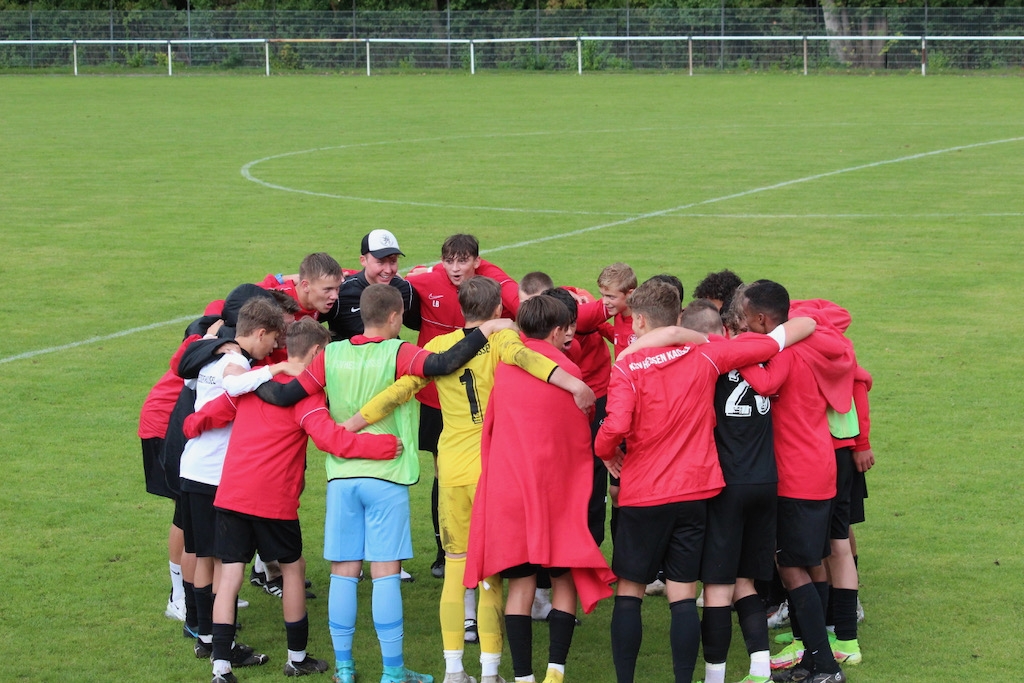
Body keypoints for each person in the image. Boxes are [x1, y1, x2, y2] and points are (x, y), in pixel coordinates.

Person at [257, 284, 516, 683]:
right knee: (385, 573)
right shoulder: (401, 352)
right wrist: (489, 328)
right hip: (387, 474)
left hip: (342, 477)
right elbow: (446, 362)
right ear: (395, 317)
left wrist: (251, 377)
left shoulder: (330, 354)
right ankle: (393, 671)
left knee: (343, 572)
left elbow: (287, 394)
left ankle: (345, 669)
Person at [342, 277, 594, 683]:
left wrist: (354, 423)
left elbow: (402, 388)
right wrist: (574, 383)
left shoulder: (440, 347)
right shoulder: (502, 340)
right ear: (497, 310)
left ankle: (453, 669)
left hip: (452, 470)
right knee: (491, 574)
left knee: (456, 571)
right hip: (495, 471)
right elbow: (528, 359)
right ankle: (491, 671)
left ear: (462, 310)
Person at [594, 280, 815, 683]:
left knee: (630, 593)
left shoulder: (626, 366)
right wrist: (691, 337)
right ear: (677, 317)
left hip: (644, 493)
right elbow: (780, 339)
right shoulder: (707, 355)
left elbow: (615, 426)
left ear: (639, 321)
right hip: (695, 492)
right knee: (682, 595)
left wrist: (605, 451)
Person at [182, 319, 401, 683]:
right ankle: (296, 658)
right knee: (293, 569)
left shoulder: (255, 383)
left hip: (232, 494)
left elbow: (210, 413)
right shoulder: (306, 397)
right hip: (274, 502)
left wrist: (191, 426)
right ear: (316, 353)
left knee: (231, 574)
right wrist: (385, 446)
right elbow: (332, 440)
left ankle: (220, 667)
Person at [464, 294, 615, 683]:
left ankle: (522, 677)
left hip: (511, 494)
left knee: (521, 583)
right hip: (555, 496)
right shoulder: (568, 372)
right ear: (557, 330)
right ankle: (555, 671)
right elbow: (580, 432)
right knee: (563, 577)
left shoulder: (506, 367)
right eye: (568, 329)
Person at [738, 282, 855, 683]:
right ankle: (812, 657)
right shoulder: (813, 347)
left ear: (762, 320)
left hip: (795, 476)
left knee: (789, 568)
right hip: (820, 467)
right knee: (810, 564)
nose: (744, 325)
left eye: (746, 319)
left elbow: (765, 384)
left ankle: (826, 667)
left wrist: (737, 354)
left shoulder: (786, 352)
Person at [177, 296, 299, 666]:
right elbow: (233, 387)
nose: (273, 349)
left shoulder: (212, 357)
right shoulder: (238, 363)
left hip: (193, 467)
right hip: (215, 473)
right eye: (272, 340)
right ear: (259, 333)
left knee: (204, 555)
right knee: (219, 560)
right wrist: (277, 370)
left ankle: (204, 634)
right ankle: (218, 644)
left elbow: (190, 379)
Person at [406, 234, 521, 583]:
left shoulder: (493, 282)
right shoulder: (425, 281)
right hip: (436, 398)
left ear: (476, 261)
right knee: (442, 473)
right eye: (449, 261)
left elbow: (524, 304)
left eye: (463, 260)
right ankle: (446, 551)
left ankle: (488, 549)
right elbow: (382, 279)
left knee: (486, 473)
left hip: (481, 404)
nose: (455, 268)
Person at [679, 299, 779, 683]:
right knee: (746, 582)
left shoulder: (705, 366)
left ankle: (714, 678)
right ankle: (760, 669)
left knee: (718, 587)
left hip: (727, 487)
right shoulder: (761, 359)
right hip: (766, 482)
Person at [325, 229, 421, 342]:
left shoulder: (404, 290)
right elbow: (311, 324)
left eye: (393, 261)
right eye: (380, 262)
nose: (388, 270)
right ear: (363, 260)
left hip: (387, 353)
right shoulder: (340, 292)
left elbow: (421, 325)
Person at [257, 252, 344, 322]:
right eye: (328, 289)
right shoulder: (280, 298)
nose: (335, 296)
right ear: (306, 286)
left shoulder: (318, 290)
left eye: (337, 288)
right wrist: (281, 279)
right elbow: (251, 291)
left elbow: (350, 273)